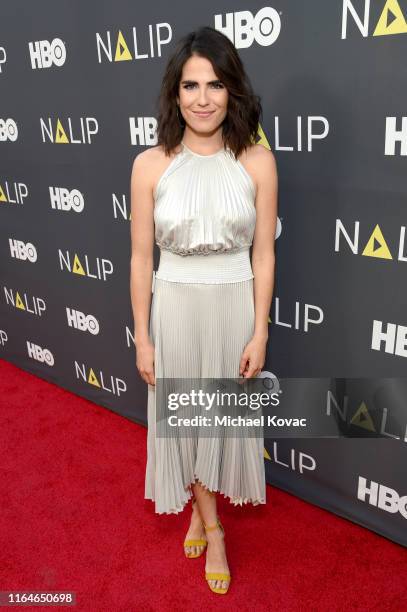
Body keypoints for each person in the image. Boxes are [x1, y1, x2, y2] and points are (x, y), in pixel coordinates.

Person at [130, 25, 277, 595]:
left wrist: (259, 329)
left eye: (215, 84)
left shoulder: (258, 162)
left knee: (217, 424)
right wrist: (142, 335)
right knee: (185, 423)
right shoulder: (150, 165)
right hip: (176, 311)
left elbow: (263, 254)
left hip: (232, 308)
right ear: (175, 94)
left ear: (232, 90)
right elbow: (142, 259)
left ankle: (200, 509)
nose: (202, 98)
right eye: (190, 85)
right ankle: (214, 528)